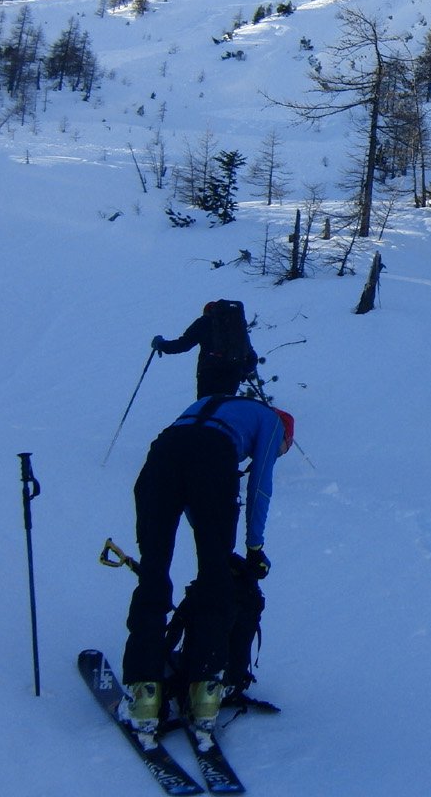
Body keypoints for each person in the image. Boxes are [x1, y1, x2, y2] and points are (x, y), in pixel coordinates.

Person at [120, 391, 293, 736]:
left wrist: (212, 536)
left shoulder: (218, 405)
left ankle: (145, 694)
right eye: (281, 450)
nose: (277, 453)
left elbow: (187, 468)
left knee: (153, 572)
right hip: (213, 457)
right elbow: (260, 485)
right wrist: (253, 547)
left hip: (162, 454)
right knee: (216, 581)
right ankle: (205, 695)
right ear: (286, 437)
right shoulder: (274, 421)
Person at [151, 299, 260, 400]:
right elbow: (252, 358)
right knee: (223, 409)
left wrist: (160, 344)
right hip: (233, 373)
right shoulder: (236, 327)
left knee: (205, 408)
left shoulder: (204, 322)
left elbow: (182, 345)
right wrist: (240, 370)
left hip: (209, 372)